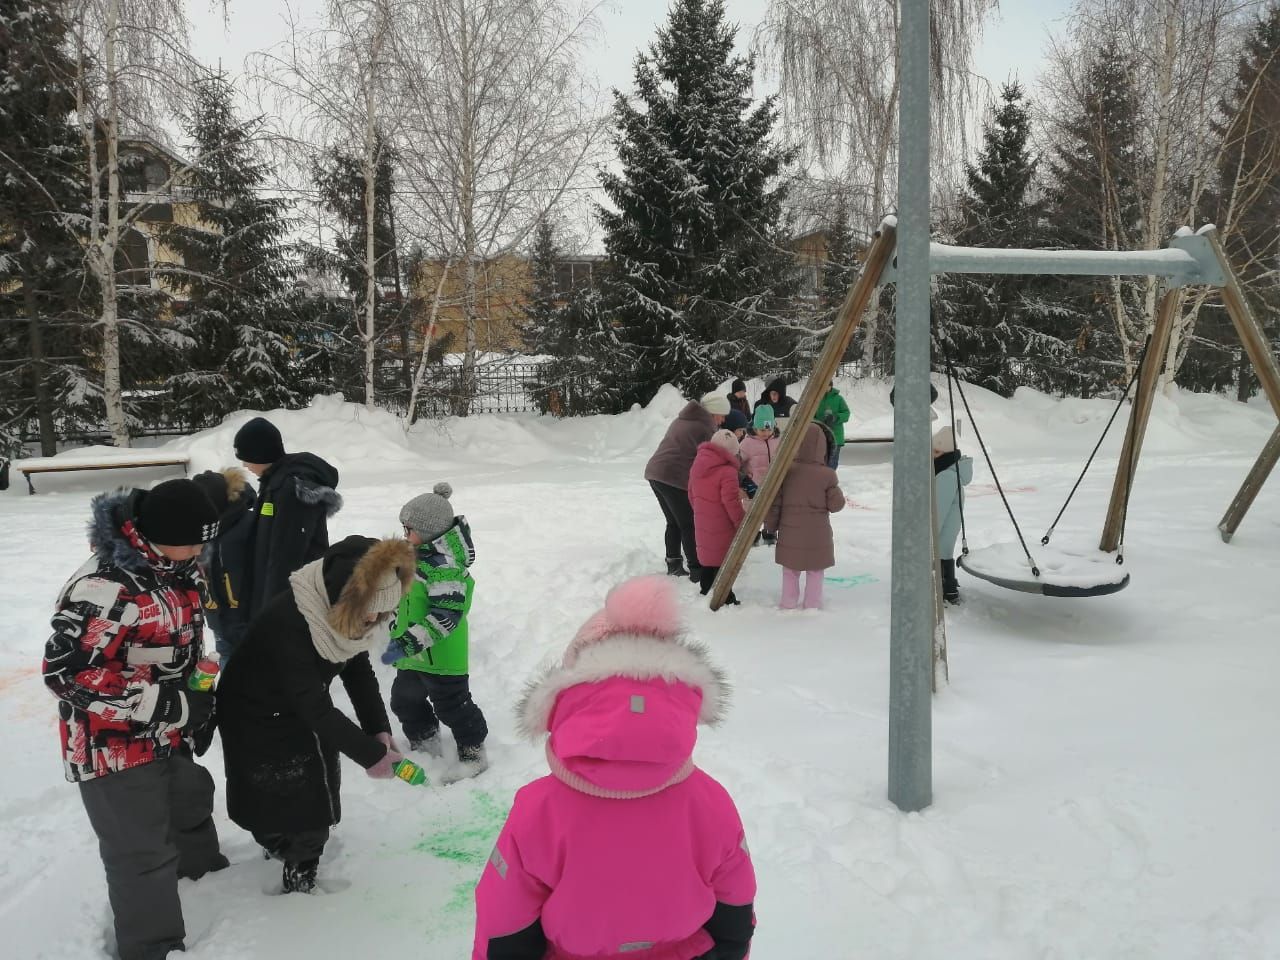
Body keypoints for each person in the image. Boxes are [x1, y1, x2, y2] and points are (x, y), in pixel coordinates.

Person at [473, 576, 756, 960]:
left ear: (572, 697)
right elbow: (734, 902)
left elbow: (505, 921)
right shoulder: (709, 801)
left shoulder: (539, 809)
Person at [43, 480, 228, 960]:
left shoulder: (175, 564)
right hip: (111, 746)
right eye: (195, 538)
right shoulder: (106, 587)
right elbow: (67, 672)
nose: (202, 548)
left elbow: (166, 638)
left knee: (190, 799)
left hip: (168, 730)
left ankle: (208, 879)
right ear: (161, 533)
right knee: (140, 852)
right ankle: (154, 947)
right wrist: (167, 706)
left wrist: (194, 698)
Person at [216, 535, 414, 894]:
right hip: (254, 711)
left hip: (295, 704)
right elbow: (314, 707)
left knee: (314, 786)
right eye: (370, 611)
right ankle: (294, 866)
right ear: (347, 598)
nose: (374, 620)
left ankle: (291, 843)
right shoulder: (292, 622)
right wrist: (372, 757)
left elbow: (357, 670)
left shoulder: (343, 612)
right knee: (289, 792)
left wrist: (378, 730)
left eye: (382, 613)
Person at [381, 482, 490, 782]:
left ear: (428, 531)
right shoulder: (416, 558)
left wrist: (409, 641)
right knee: (404, 700)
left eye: (408, 530)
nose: (404, 536)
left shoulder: (445, 568)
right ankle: (424, 741)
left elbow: (447, 615)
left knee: (453, 706)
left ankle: (473, 752)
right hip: (413, 655)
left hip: (441, 657)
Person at [233, 416, 342, 616]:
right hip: (277, 594)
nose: (244, 465)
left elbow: (286, 556)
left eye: (246, 457)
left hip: (293, 602)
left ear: (260, 455)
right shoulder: (274, 482)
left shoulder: (289, 490)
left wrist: (273, 613)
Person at [644, 391, 728, 580]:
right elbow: (712, 458)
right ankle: (697, 569)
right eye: (722, 415)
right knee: (689, 524)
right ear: (713, 413)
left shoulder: (685, 419)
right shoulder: (704, 428)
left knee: (674, 522)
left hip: (656, 473)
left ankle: (674, 564)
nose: (722, 420)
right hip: (673, 477)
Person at [765, 422, 846, 610]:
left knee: (790, 571)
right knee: (816, 571)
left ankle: (788, 602)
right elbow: (836, 505)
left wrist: (771, 525)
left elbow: (775, 502)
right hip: (817, 535)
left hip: (790, 531)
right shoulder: (827, 475)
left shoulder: (786, 472)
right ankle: (812, 604)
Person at [192, 467, 257, 660]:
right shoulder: (197, 530)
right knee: (226, 657)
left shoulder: (250, 523)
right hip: (216, 616)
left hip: (248, 615)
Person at [688, 429, 746, 604]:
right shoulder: (728, 472)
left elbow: (691, 493)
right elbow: (730, 502)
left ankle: (705, 591)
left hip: (703, 520)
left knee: (709, 560)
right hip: (722, 525)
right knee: (722, 564)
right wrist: (741, 523)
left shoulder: (697, 465)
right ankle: (725, 598)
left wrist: (701, 511)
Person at [933, 426, 973, 604]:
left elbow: (938, 512)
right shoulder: (951, 472)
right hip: (947, 533)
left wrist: (929, 533)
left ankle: (944, 591)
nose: (931, 455)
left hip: (941, 532)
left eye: (935, 451)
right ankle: (948, 590)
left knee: (939, 555)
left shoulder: (945, 477)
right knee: (944, 555)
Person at [741, 405, 782, 545]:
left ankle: (770, 531)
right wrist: (745, 479)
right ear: (755, 427)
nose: (765, 433)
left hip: (773, 484)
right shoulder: (747, 443)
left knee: (772, 508)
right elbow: (738, 462)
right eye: (762, 430)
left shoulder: (778, 441)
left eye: (768, 429)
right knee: (751, 512)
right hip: (754, 485)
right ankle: (752, 533)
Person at [815, 380, 852, 469]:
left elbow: (846, 413)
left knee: (832, 463)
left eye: (827, 385)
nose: (825, 388)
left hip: (836, 437)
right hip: (821, 436)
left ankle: (830, 481)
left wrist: (835, 417)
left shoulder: (839, 399)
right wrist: (819, 422)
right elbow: (811, 416)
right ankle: (822, 481)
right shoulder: (817, 399)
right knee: (820, 462)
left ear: (831, 386)